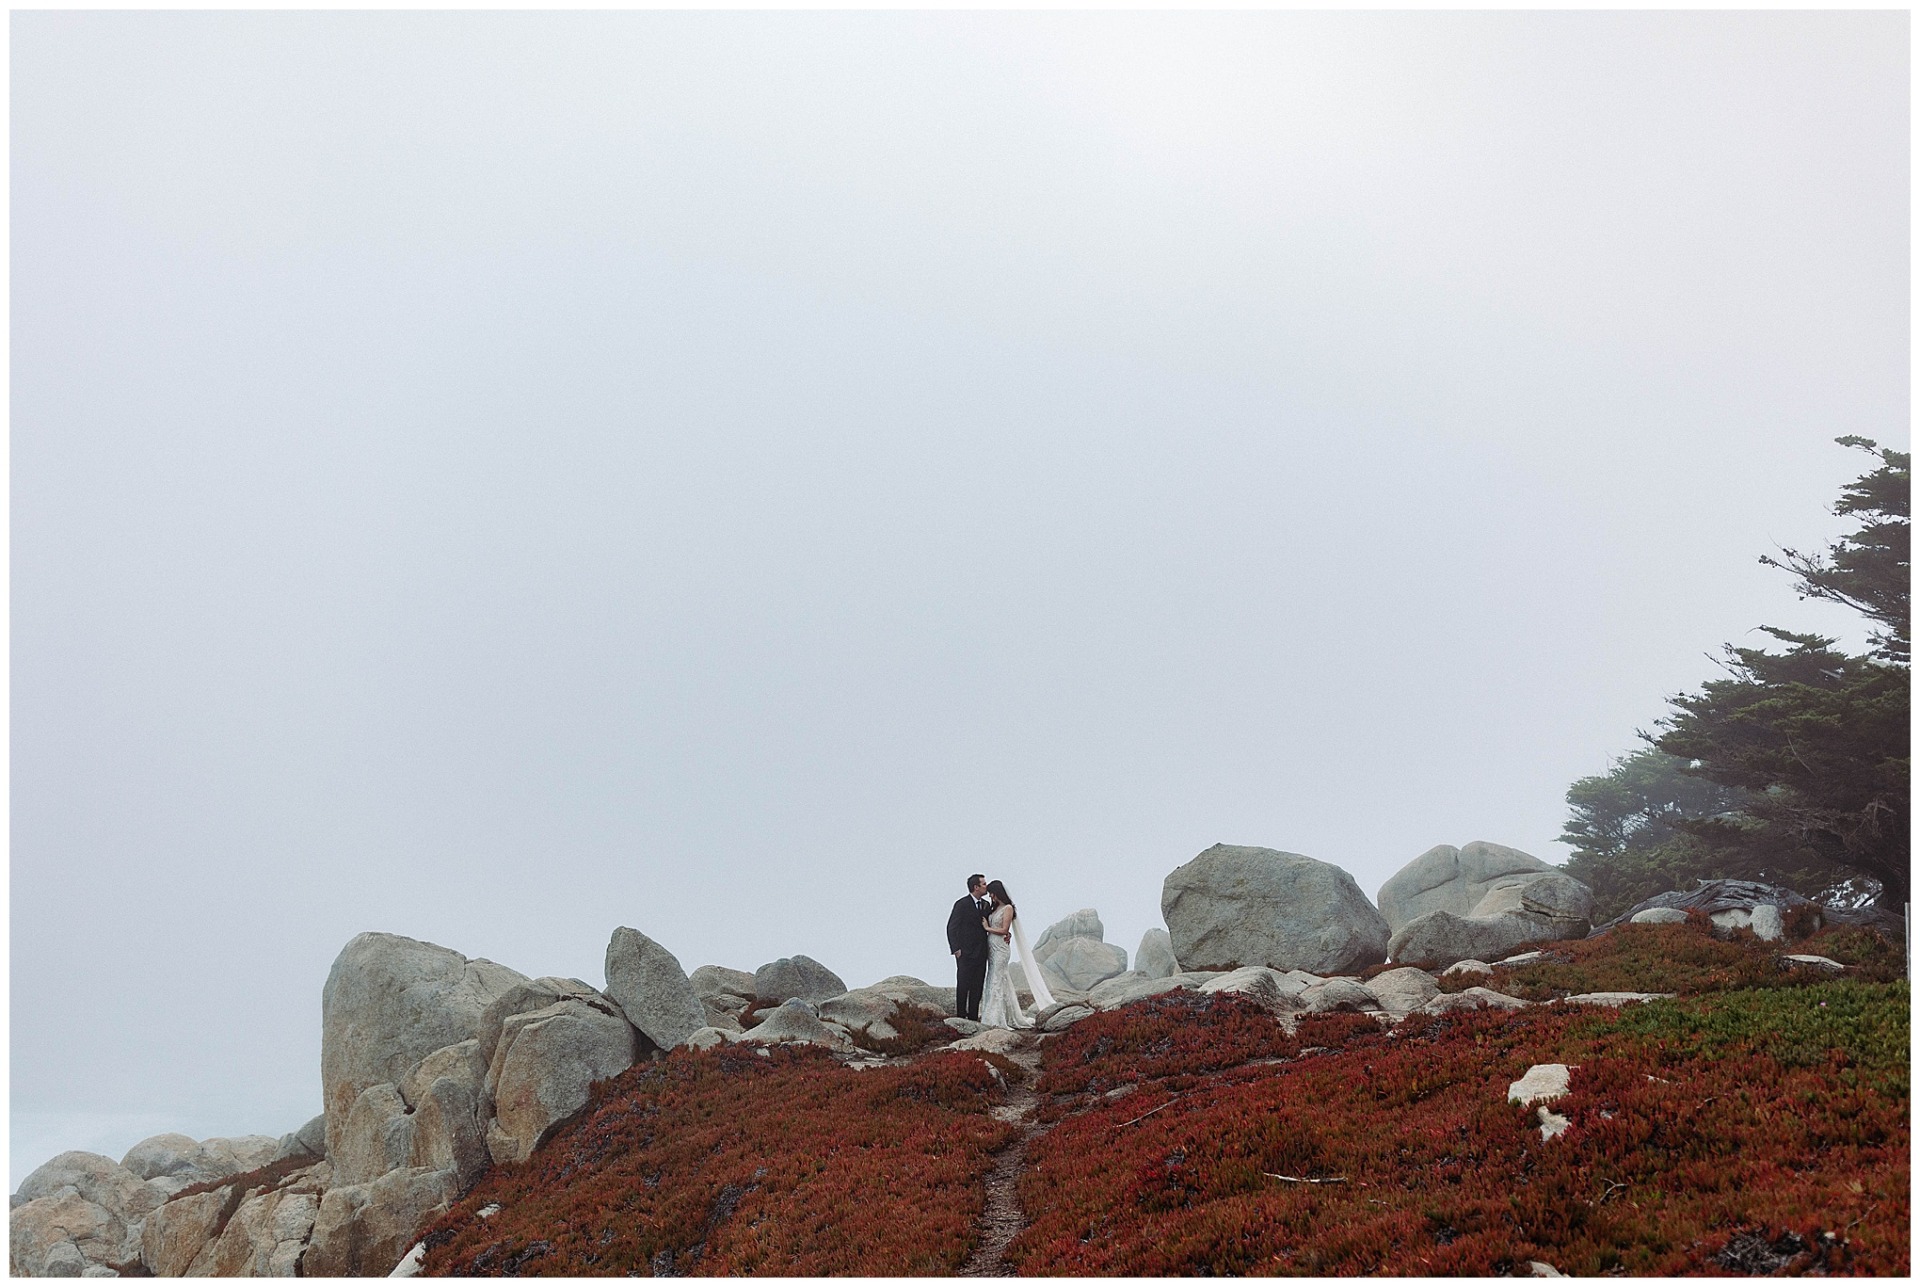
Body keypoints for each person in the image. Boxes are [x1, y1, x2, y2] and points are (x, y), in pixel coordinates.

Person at [978, 879, 1054, 1028]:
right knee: (995, 978)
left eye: (992, 893)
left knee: (997, 979)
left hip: (1001, 948)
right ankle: (1001, 1014)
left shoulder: (1007, 908)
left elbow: (1004, 930)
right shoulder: (993, 909)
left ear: (998, 892)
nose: (990, 896)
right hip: (992, 948)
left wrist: (987, 928)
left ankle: (995, 1018)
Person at [946, 874, 991, 1022]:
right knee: (963, 983)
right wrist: (956, 949)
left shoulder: (985, 905)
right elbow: (952, 927)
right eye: (984, 884)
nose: (986, 886)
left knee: (978, 984)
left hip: (982, 952)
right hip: (965, 952)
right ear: (976, 887)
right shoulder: (962, 904)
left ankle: (973, 1015)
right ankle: (961, 1015)